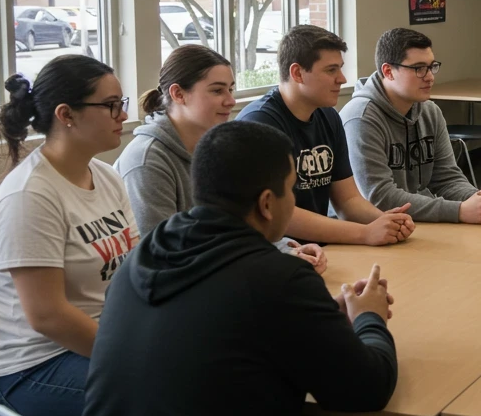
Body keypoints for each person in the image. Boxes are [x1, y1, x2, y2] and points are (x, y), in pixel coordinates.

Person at [82, 121, 432, 416]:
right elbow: (367, 390)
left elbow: (230, 321)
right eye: (290, 190)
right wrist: (369, 319)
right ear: (267, 204)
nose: (294, 203)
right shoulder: (276, 278)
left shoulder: (144, 260)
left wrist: (323, 313)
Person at [239, 24, 413, 416]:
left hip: (326, 253)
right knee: (332, 335)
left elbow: (347, 198)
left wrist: (386, 221)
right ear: (297, 72)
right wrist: (364, 233)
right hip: (282, 260)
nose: (343, 79)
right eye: (332, 69)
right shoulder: (261, 125)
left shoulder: (327, 117)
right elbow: (281, 214)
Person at [0, 55, 137, 416]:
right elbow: (48, 316)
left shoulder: (105, 176)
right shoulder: (29, 197)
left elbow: (134, 269)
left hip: (100, 338)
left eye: (122, 104)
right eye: (111, 106)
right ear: (66, 114)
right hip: (34, 367)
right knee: (173, 388)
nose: (123, 116)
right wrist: (132, 353)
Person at [117, 44, 326, 270]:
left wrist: (285, 249)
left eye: (231, 89)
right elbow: (163, 256)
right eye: (217, 91)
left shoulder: (217, 146)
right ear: (178, 94)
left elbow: (239, 227)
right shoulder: (146, 161)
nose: (231, 101)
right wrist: (268, 260)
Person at [341, 28, 481, 225]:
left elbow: (447, 178)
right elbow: (380, 197)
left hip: (416, 223)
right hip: (370, 231)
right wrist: (459, 211)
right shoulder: (361, 118)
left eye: (432, 66)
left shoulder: (430, 111)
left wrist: (478, 200)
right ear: (388, 71)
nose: (430, 77)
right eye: (419, 68)